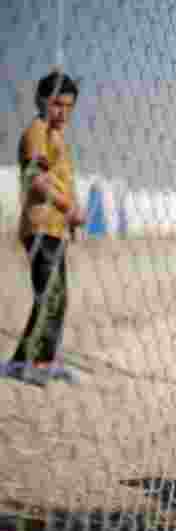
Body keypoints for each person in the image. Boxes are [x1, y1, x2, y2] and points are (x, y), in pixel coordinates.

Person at [6, 71, 87, 386]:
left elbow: (59, 182)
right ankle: (28, 362)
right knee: (50, 294)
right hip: (41, 226)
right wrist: (69, 208)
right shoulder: (37, 132)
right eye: (56, 105)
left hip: (54, 228)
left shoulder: (56, 137)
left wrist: (70, 218)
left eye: (68, 106)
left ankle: (41, 359)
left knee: (57, 295)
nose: (62, 112)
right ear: (41, 101)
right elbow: (36, 180)